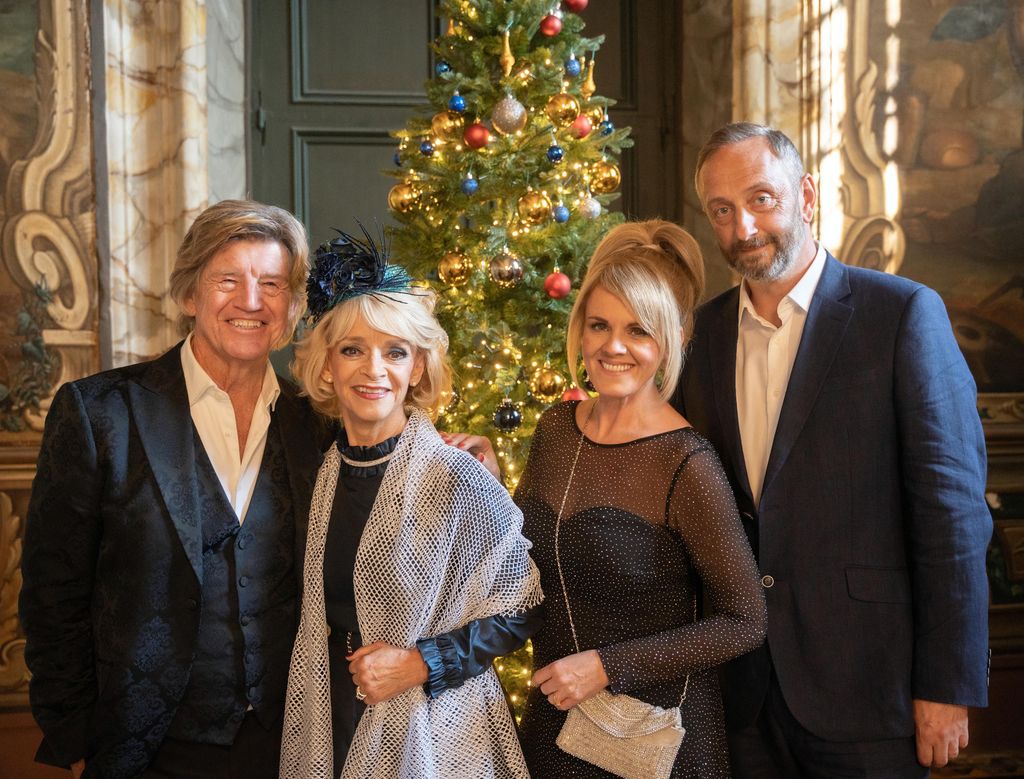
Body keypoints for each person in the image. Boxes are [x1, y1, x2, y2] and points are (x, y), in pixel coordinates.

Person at [674, 121, 992, 777]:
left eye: (762, 198)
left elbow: (953, 514)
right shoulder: (698, 337)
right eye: (723, 210)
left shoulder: (901, 314)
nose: (744, 227)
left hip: (873, 690)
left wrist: (948, 682)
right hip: (745, 695)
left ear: (807, 195)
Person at [19, 199, 329, 778]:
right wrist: (79, 728)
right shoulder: (99, 413)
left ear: (291, 308)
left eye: (272, 283)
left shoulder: (318, 422)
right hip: (145, 746)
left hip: (292, 744)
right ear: (190, 295)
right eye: (228, 280)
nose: (252, 301)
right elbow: (51, 592)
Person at [279, 228, 544, 779]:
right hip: (330, 712)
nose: (374, 370)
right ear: (327, 364)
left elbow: (522, 604)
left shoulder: (456, 477)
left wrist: (422, 664)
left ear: (417, 367)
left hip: (434, 728)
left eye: (394, 352)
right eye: (353, 349)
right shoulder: (323, 472)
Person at [511, 220, 767, 778]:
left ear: (671, 340)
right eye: (599, 325)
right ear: (579, 329)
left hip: (657, 742)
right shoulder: (555, 429)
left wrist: (608, 666)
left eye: (638, 331)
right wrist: (474, 477)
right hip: (555, 725)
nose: (614, 346)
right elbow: (517, 566)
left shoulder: (686, 462)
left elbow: (746, 620)